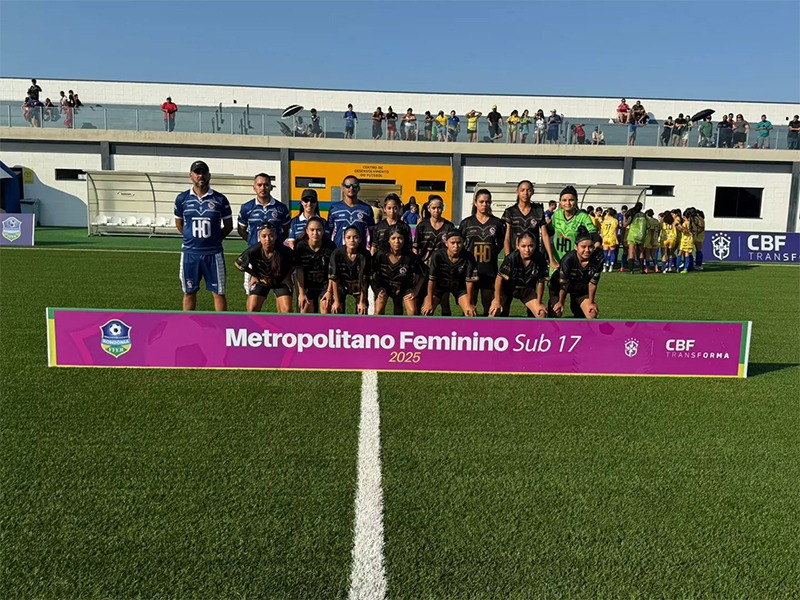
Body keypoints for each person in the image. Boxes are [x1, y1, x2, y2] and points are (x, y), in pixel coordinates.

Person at [174, 160, 233, 311]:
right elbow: (179, 224)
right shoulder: (182, 199)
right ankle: (187, 325)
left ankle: (221, 327)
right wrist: (191, 238)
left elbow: (228, 226)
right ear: (191, 176)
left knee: (219, 292)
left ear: (209, 175)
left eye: (203, 173)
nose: (200, 176)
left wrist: (213, 239)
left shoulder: (220, 199)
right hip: (190, 253)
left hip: (213, 254)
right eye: (197, 173)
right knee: (189, 292)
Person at [547, 186, 599, 313]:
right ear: (560, 202)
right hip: (558, 266)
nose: (567, 203)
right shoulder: (556, 215)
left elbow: (593, 234)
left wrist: (597, 246)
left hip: (576, 267)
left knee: (580, 312)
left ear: (576, 201)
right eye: (564, 200)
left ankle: (580, 327)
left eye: (571, 200)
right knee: (555, 310)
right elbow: (547, 232)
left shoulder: (583, 217)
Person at [237, 173, 291, 291]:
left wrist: (276, 243)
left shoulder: (281, 208)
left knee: (280, 292)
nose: (263, 188)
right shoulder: (247, 207)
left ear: (271, 187)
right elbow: (241, 230)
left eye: (266, 185)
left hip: (276, 256)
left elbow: (286, 230)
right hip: (254, 257)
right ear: (254, 187)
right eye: (259, 185)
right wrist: (254, 243)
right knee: (252, 294)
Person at [460, 189, 506, 316]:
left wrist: (493, 252)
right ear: (475, 203)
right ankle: (469, 334)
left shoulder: (496, 223)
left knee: (488, 305)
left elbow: (502, 241)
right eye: (481, 201)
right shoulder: (467, 223)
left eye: (487, 202)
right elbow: (460, 243)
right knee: (470, 306)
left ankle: (488, 333)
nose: (484, 204)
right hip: (471, 269)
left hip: (489, 270)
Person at [234, 222, 295, 313]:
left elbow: (296, 262)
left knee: (286, 310)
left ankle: (282, 327)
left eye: (271, 235)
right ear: (259, 237)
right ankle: (256, 327)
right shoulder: (254, 250)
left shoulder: (283, 250)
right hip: (261, 281)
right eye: (264, 236)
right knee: (252, 309)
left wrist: (287, 277)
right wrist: (254, 275)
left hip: (280, 281)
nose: (268, 239)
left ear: (275, 236)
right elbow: (238, 264)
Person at [489, 230, 548, 318]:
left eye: (530, 246)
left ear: (535, 245)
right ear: (518, 246)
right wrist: (497, 300)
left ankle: (534, 332)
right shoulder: (511, 258)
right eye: (523, 246)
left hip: (527, 290)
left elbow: (541, 282)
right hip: (507, 289)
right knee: (494, 311)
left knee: (541, 313)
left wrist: (539, 302)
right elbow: (499, 278)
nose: (527, 250)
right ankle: (491, 331)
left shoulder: (539, 259)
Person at [502, 180, 556, 272]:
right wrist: (508, 258)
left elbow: (545, 235)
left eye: (528, 190)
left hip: (533, 256)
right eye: (522, 190)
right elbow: (507, 237)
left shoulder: (538, 211)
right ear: (517, 192)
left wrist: (551, 259)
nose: (525, 193)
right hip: (515, 256)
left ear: (532, 192)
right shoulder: (510, 212)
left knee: (535, 283)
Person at [413, 195, 455, 314]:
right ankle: (417, 328)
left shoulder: (449, 226)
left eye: (439, 208)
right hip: (424, 269)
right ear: (429, 209)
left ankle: (446, 330)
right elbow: (415, 248)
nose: (437, 210)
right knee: (418, 300)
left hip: (443, 270)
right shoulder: (422, 226)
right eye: (434, 208)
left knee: (444, 301)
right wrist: (417, 267)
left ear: (443, 208)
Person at [421, 230, 478, 317]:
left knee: (470, 312)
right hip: (439, 287)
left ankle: (465, 330)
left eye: (459, 243)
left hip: (459, 288)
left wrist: (470, 303)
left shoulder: (468, 256)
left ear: (463, 243)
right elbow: (432, 280)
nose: (456, 246)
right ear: (446, 243)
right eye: (453, 243)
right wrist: (429, 301)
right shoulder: (437, 255)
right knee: (427, 311)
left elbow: (469, 282)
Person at [551, 226, 603, 319]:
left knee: (591, 313)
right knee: (556, 312)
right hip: (560, 286)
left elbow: (592, 283)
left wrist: (591, 302)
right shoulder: (568, 259)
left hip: (580, 288)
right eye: (583, 247)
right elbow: (563, 284)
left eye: (590, 247)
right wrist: (560, 301)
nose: (587, 250)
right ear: (576, 247)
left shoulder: (597, 259)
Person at [372, 226, 424, 315]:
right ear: (388, 240)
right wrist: (376, 289)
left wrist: (415, 290)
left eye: (400, 238)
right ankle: (378, 328)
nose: (397, 241)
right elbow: (369, 273)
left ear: (404, 240)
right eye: (393, 238)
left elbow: (423, 273)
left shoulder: (410, 257)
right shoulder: (380, 255)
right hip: (385, 287)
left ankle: (410, 328)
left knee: (412, 311)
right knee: (379, 308)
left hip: (405, 288)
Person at [294, 216, 336, 314]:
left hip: (325, 283)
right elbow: (299, 270)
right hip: (307, 283)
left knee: (326, 306)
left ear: (323, 231)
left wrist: (329, 291)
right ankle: (305, 329)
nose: (315, 233)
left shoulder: (330, 246)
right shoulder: (300, 247)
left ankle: (324, 329)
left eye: (318, 230)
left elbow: (332, 271)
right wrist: (301, 293)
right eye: (312, 230)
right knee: (305, 307)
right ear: (307, 231)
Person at [328, 226, 371, 315]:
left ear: (359, 240)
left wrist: (362, 302)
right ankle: (339, 327)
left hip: (358, 285)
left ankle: (359, 328)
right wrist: (336, 301)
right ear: (344, 239)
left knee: (362, 310)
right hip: (341, 284)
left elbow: (364, 280)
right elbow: (334, 279)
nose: (352, 240)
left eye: (355, 237)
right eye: (348, 237)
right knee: (336, 308)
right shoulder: (337, 253)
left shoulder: (365, 255)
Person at [327, 175, 376, 248]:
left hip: (360, 253)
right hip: (339, 252)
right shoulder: (334, 208)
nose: (351, 188)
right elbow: (329, 232)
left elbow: (372, 233)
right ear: (343, 188)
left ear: (359, 188)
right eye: (348, 186)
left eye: (354, 185)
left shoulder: (367, 209)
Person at [623, 202, 648, 273]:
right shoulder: (644, 215)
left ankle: (631, 270)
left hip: (633, 235)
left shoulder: (633, 215)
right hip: (641, 235)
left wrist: (624, 217)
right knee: (640, 251)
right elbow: (648, 226)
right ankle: (641, 269)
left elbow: (625, 225)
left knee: (631, 252)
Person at [600, 208, 619, 272]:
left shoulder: (604, 221)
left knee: (605, 253)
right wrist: (616, 239)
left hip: (605, 238)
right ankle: (611, 267)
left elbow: (602, 231)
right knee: (612, 252)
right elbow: (614, 231)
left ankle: (604, 267)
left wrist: (602, 238)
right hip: (611, 238)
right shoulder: (614, 220)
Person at [643, 209, 661, 273]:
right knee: (653, 255)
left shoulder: (648, 221)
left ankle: (647, 268)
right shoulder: (656, 221)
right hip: (655, 239)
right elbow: (659, 230)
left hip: (649, 239)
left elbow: (651, 230)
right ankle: (656, 268)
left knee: (647, 255)